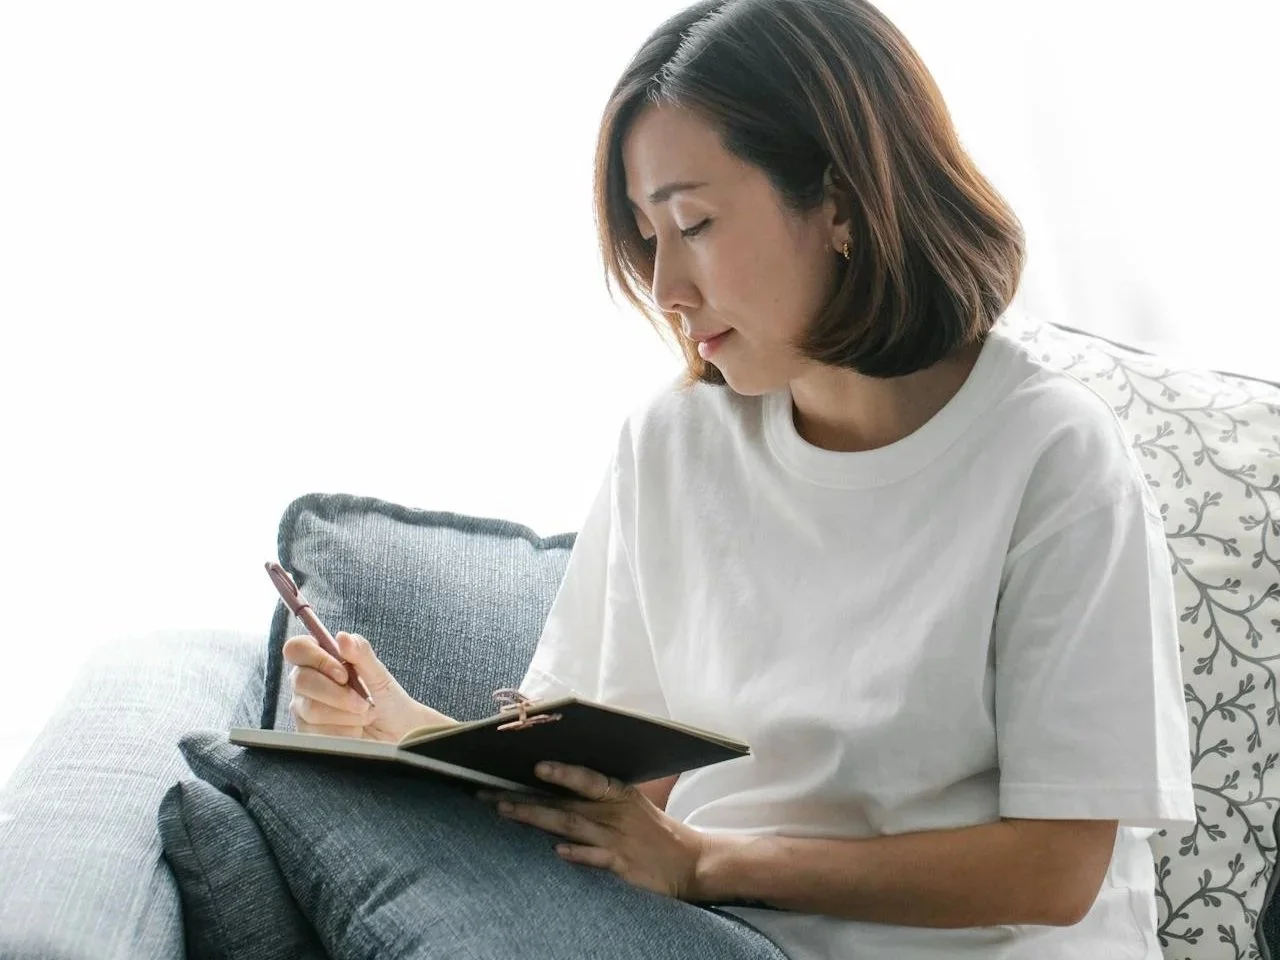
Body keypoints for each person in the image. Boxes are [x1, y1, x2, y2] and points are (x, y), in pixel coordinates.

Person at [282, 0, 1196, 957]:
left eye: (696, 222)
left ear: (840, 203)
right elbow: (614, 797)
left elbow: (1052, 871)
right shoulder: (671, 446)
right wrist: (406, 734)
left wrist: (709, 863)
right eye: (648, 236)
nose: (667, 287)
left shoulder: (1050, 453)